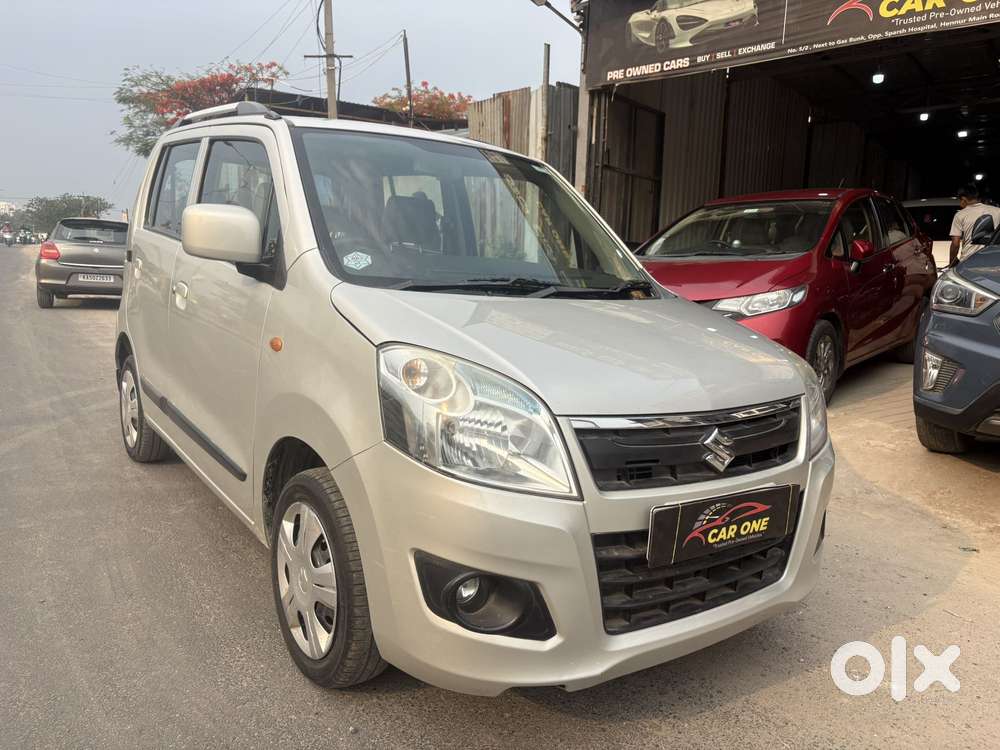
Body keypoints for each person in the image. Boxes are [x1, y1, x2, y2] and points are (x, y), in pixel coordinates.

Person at [948, 184, 1000, 265]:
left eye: (960, 200)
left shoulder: (960, 214)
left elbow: (955, 243)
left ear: (964, 199)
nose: (960, 204)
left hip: (969, 260)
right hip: (994, 260)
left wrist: (952, 262)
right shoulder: (998, 211)